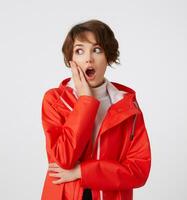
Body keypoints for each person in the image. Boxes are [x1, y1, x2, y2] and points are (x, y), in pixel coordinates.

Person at [41, 19, 151, 200]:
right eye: (79, 51)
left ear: (108, 56)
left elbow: (139, 170)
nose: (88, 58)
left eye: (97, 50)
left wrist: (82, 172)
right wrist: (86, 100)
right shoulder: (55, 100)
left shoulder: (127, 106)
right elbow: (63, 159)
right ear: (71, 59)